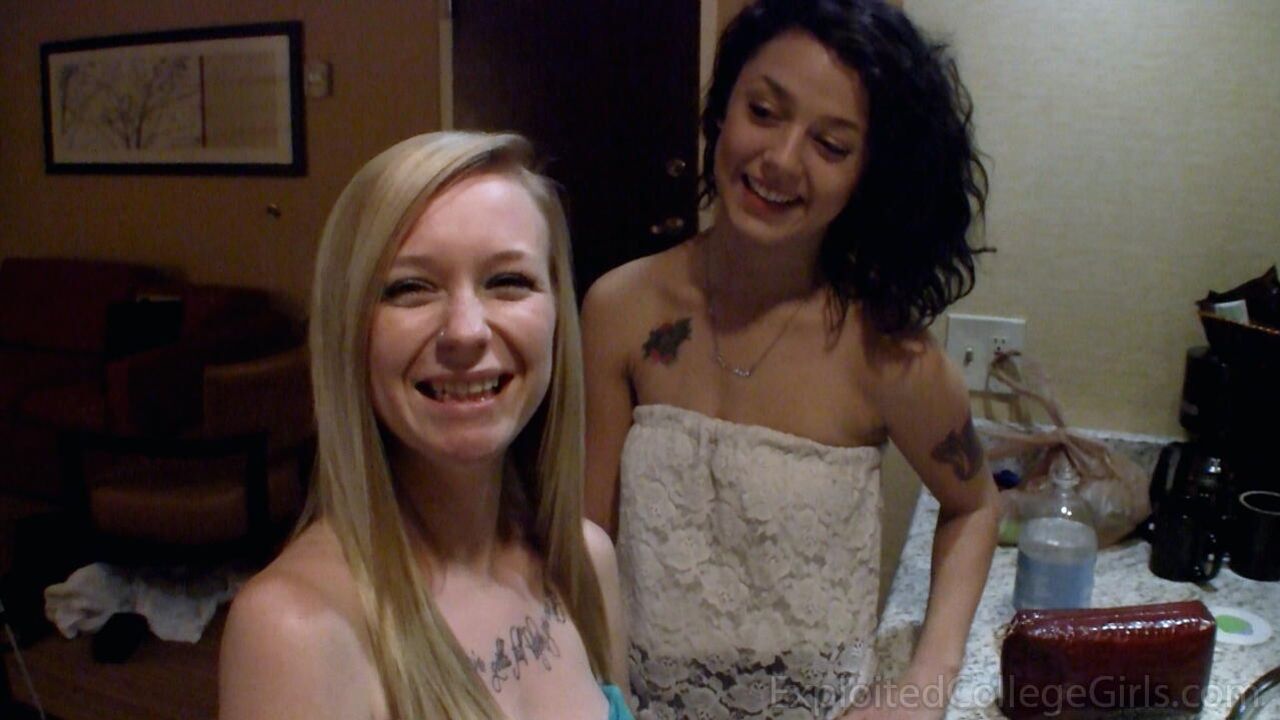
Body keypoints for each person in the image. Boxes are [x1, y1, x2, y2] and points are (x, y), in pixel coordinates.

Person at [582, 1, 999, 718]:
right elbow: (591, 542)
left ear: (868, 173)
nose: (779, 159)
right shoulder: (621, 309)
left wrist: (927, 682)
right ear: (724, 108)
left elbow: (975, 504)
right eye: (764, 111)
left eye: (830, 145)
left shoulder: (886, 352)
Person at [219, 132, 631, 720]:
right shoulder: (294, 632)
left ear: (557, 315)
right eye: (410, 288)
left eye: (508, 282)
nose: (465, 331)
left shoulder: (586, 563)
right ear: (349, 331)